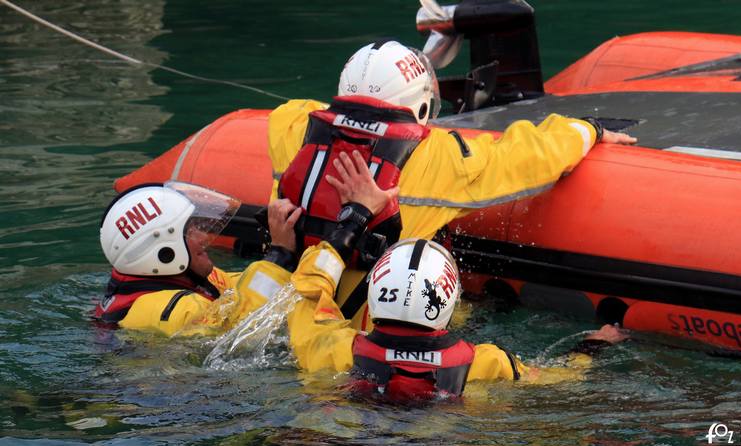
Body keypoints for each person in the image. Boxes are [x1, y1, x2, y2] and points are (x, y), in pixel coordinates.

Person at [268, 40, 637, 330]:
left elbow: (322, 112)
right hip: (372, 330)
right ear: (421, 104)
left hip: (293, 317)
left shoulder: (289, 125)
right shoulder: (440, 156)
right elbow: (528, 158)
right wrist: (588, 128)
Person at [277, 154, 625, 401]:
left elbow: (308, 291)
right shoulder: (488, 363)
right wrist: (592, 345)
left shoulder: (332, 349)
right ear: (446, 299)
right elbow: (558, 380)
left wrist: (351, 222)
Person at [95, 181, 301, 336]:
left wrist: (292, 258)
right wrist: (280, 254)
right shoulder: (170, 310)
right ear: (164, 252)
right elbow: (241, 331)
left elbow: (238, 288)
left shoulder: (180, 276)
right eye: (191, 232)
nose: (204, 237)